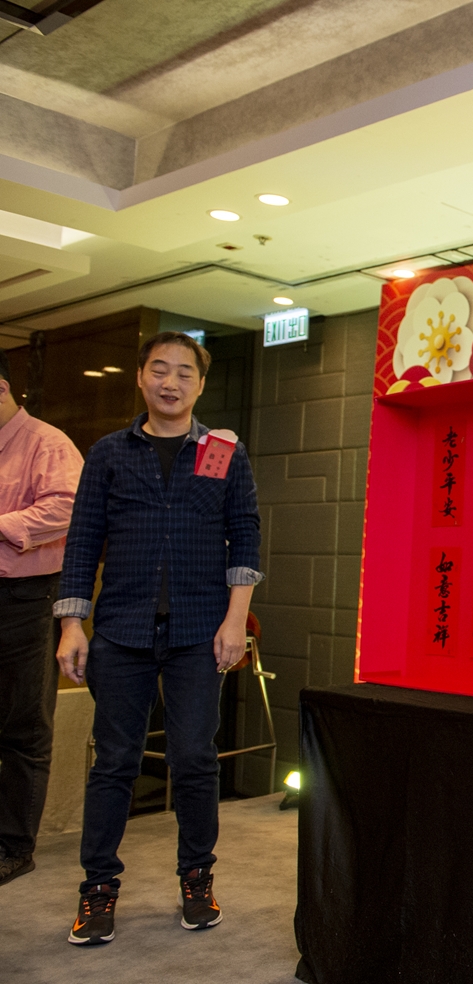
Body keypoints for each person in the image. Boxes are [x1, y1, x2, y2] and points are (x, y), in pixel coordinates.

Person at [53, 331, 262, 946]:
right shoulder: (109, 453)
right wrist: (72, 623)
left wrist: (236, 620)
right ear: (141, 377)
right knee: (114, 762)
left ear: (201, 383)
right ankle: (98, 888)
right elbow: (82, 540)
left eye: (184, 372)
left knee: (194, 758)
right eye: (160, 369)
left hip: (200, 631)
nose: (171, 382)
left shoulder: (223, 452)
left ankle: (197, 877)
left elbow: (245, 535)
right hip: (121, 630)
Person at [0, 347, 83, 887]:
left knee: (23, 725)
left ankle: (14, 846)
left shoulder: (46, 442)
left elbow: (68, 505)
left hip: (25, 598)